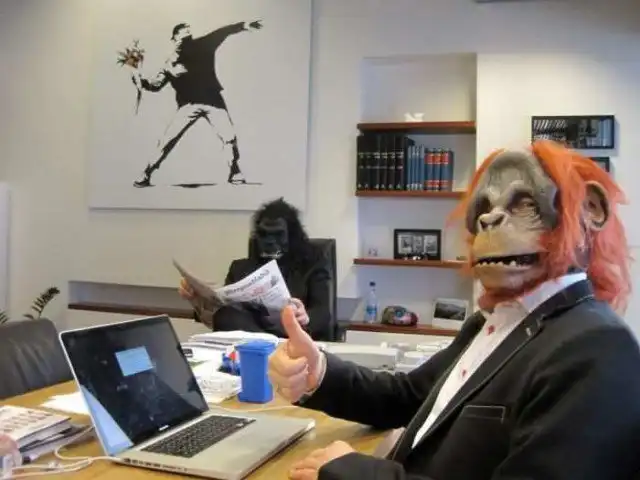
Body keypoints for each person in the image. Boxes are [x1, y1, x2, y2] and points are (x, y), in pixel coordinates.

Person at [268, 141, 640, 479]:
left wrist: (357, 473)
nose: (488, 220)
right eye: (483, 207)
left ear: (590, 210)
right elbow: (408, 396)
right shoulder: (493, 324)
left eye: (524, 204)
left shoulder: (597, 348)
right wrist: (318, 372)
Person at [118, 20, 263, 188]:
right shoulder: (169, 64)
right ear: (174, 39)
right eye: (182, 35)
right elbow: (155, 86)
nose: (186, 37)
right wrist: (140, 80)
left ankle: (235, 170)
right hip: (188, 106)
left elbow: (222, 32)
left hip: (213, 102)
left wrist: (243, 25)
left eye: (188, 34)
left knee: (229, 137)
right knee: (167, 140)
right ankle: (147, 173)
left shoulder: (203, 45)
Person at [179, 198, 334, 341]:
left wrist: (306, 317)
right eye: (264, 234)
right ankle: (267, 344)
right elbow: (221, 317)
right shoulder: (240, 268)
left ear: (292, 237)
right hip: (251, 340)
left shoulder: (313, 264)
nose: (270, 241)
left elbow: (323, 313)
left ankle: (269, 344)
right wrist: (198, 301)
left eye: (278, 234)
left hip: (293, 336)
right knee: (226, 314)